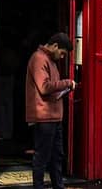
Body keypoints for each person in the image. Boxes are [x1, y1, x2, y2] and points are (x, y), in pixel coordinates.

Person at [25, 32, 76, 189]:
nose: (61, 57)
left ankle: (58, 186)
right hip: (44, 117)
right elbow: (44, 87)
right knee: (42, 157)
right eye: (62, 53)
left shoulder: (51, 60)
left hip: (53, 117)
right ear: (54, 46)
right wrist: (67, 83)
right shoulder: (39, 58)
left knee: (56, 156)